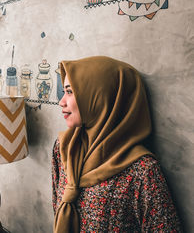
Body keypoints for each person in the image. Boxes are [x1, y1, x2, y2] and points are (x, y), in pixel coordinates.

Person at [51, 56, 182, 232]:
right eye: (64, 91)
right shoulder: (64, 147)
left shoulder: (142, 171)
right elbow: (56, 205)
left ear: (100, 97)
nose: (62, 102)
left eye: (70, 92)